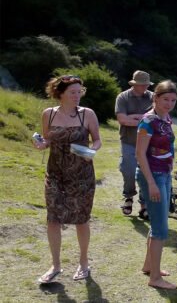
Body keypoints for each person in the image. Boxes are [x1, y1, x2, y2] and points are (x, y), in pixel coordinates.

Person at [33, 75, 102, 284]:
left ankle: (83, 263)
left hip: (82, 176)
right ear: (60, 93)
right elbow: (47, 140)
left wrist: (90, 150)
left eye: (79, 91)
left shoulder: (87, 114)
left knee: (81, 219)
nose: (77, 95)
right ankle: (55, 266)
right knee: (53, 219)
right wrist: (40, 143)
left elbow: (97, 140)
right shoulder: (49, 114)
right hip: (55, 174)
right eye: (72, 92)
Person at [135, 80, 177, 290]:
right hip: (153, 176)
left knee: (157, 223)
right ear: (155, 98)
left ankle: (149, 266)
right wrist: (152, 183)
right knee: (161, 228)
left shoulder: (165, 118)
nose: (169, 104)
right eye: (165, 99)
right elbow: (139, 155)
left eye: (173, 100)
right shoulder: (148, 122)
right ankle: (155, 278)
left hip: (164, 174)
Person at [115, 70, 154, 218]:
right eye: (141, 85)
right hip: (129, 141)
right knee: (128, 170)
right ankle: (128, 196)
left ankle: (144, 205)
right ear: (134, 84)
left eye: (146, 85)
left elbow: (155, 118)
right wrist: (143, 120)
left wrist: (134, 118)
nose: (144, 87)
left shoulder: (152, 97)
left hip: (148, 143)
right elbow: (122, 120)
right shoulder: (123, 97)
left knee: (145, 173)